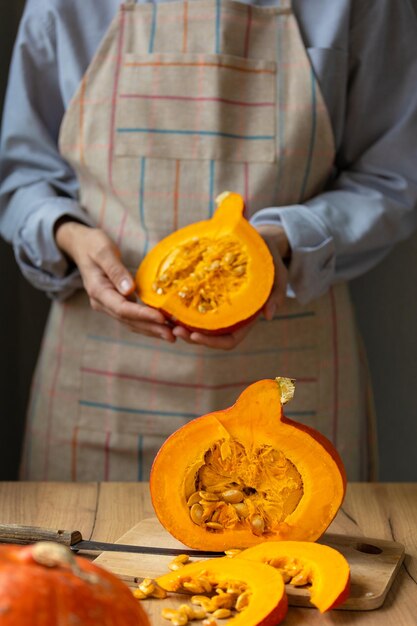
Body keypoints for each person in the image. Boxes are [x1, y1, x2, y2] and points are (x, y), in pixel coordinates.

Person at [1, 0, 417, 483]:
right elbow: (22, 175)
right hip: (99, 379)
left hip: (291, 381)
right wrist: (68, 234)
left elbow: (394, 177)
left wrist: (284, 239)